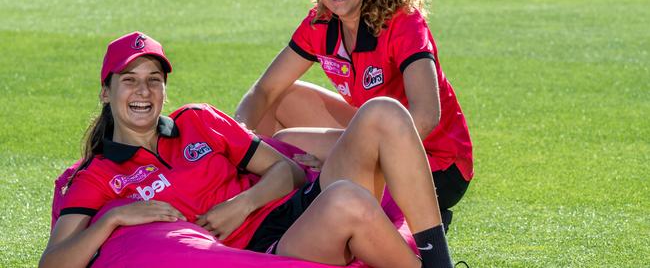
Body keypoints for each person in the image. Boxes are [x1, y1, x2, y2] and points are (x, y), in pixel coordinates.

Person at [40, 32, 455, 268]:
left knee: (382, 112)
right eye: (128, 80)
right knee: (348, 200)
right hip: (262, 253)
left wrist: (243, 202)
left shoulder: (196, 120)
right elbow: (53, 263)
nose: (143, 91)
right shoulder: (97, 175)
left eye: (153, 79)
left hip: (294, 210)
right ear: (105, 91)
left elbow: (287, 171)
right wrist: (111, 218)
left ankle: (439, 262)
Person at [234, 0, 473, 221]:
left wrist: (351, 157)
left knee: (288, 143)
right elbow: (264, 90)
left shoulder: (402, 21)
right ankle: (252, 200)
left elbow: (426, 116)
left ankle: (310, 206)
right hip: (374, 137)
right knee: (281, 97)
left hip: (437, 163)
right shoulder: (319, 24)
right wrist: (236, 148)